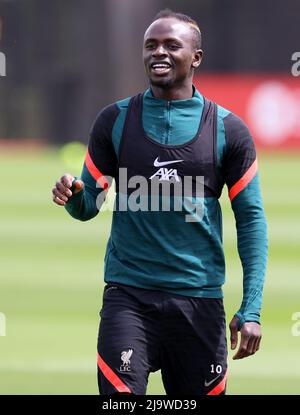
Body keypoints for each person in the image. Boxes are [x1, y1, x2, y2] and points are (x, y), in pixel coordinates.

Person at [52, 9, 268, 395]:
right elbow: (88, 206)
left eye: (172, 45)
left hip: (199, 302)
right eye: (151, 45)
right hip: (128, 297)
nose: (159, 53)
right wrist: (74, 196)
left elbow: (251, 220)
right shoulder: (114, 121)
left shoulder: (228, 130)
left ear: (196, 57)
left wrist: (251, 309)